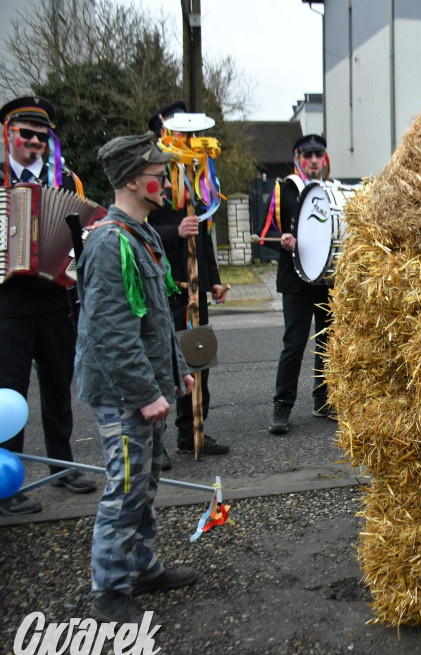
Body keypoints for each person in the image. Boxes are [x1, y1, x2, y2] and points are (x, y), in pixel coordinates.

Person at [76, 132, 199, 624]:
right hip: (123, 393)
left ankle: (143, 568)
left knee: (144, 483)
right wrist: (146, 392)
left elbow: (155, 318)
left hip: (145, 388)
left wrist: (176, 374)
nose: (166, 182)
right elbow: (111, 332)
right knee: (124, 486)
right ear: (132, 179)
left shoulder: (142, 234)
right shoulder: (110, 242)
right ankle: (108, 589)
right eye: (158, 173)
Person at [0, 95, 96, 516]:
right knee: (9, 394)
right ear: (8, 133)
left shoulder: (66, 180)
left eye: (42, 136)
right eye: (27, 134)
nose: (35, 142)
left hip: (56, 298)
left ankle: (62, 465)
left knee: (58, 385)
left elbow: (85, 233)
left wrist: (71, 267)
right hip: (7, 303)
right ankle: (7, 478)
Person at [147, 100, 230, 458]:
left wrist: (213, 278)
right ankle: (155, 442)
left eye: (191, 131)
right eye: (180, 130)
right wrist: (175, 231)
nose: (187, 136)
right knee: (162, 361)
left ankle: (192, 431)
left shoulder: (198, 177)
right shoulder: (152, 175)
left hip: (196, 287)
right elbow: (140, 228)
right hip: (164, 284)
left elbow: (204, 232)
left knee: (198, 356)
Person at [267, 134, 333, 434]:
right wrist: (281, 242)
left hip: (326, 281)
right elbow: (265, 232)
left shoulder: (332, 190)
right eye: (308, 156)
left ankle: (323, 398)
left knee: (327, 342)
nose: (314, 160)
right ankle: (282, 405)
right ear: (299, 158)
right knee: (293, 345)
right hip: (295, 280)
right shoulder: (285, 189)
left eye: (319, 155)